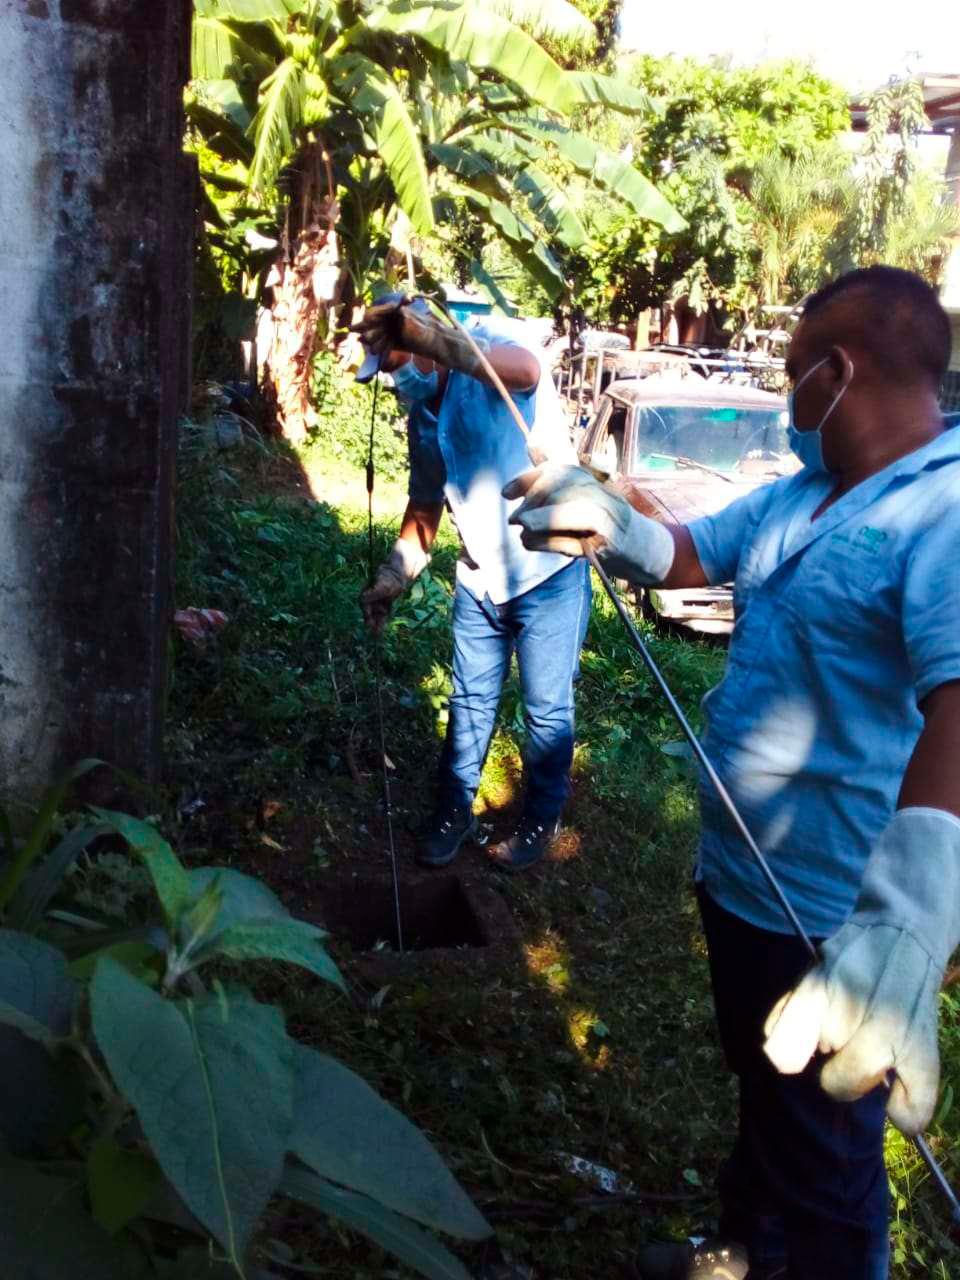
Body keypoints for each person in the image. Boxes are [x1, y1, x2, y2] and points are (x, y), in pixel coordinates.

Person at [506, 266, 960, 1278]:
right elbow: (684, 553)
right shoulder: (805, 494)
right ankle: (748, 1251)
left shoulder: (947, 512)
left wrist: (917, 911)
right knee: (766, 1096)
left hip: (839, 916)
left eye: (795, 373)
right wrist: (610, 519)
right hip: (746, 880)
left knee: (831, 1162)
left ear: (837, 371)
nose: (792, 396)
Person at [354, 295, 591, 872]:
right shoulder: (425, 416)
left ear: (422, 347)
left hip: (550, 571)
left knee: (546, 711)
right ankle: (454, 810)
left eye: (395, 365)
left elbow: (527, 369)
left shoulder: (483, 355)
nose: (396, 381)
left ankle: (540, 817)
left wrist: (440, 341)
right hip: (482, 577)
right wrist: (395, 574)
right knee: (468, 701)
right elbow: (426, 505)